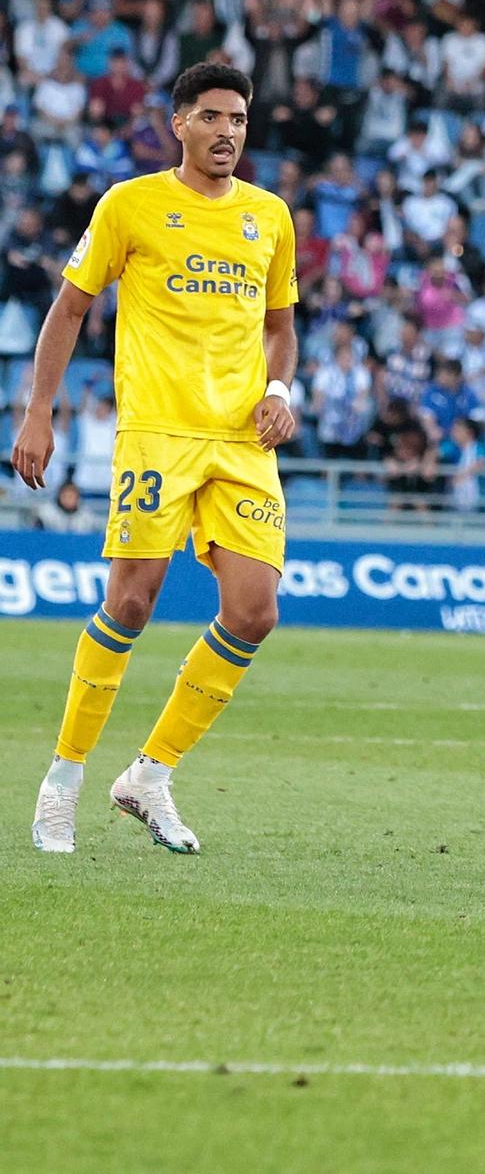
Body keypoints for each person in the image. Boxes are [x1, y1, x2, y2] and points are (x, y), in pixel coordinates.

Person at [16, 63, 298, 856]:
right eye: (211, 116)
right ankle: (63, 780)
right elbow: (70, 307)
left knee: (254, 610)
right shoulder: (129, 205)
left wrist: (280, 385)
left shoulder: (270, 216)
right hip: (157, 433)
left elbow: (281, 324)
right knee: (132, 604)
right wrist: (39, 412)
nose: (227, 132)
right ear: (177, 123)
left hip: (242, 441)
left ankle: (149, 773)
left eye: (238, 119)